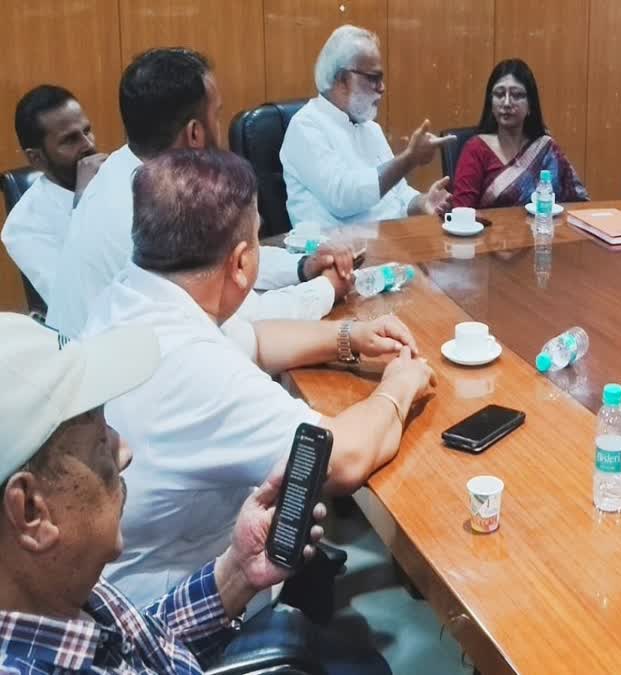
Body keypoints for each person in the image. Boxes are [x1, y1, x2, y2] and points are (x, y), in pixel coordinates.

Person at [82, 149, 436, 614]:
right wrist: (400, 385)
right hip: (175, 615)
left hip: (140, 574)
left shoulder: (133, 295)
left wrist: (348, 337)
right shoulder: (193, 367)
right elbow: (341, 459)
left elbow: (256, 339)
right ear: (242, 263)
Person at [0, 312, 329, 674]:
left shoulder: (56, 592)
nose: (124, 452)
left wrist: (237, 572)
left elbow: (136, 646)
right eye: (99, 443)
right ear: (31, 511)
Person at [47, 48, 351, 337]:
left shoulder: (126, 170)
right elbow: (238, 321)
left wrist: (302, 267)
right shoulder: (156, 207)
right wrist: (326, 288)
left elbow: (224, 258)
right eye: (216, 115)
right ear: (195, 133)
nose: (219, 128)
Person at [282, 24, 454, 228]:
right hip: (333, 246)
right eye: (374, 78)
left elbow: (399, 195)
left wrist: (422, 201)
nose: (382, 88)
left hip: (389, 241)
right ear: (342, 79)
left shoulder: (371, 128)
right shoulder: (306, 126)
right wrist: (409, 159)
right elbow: (343, 198)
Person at [2, 85, 107, 302]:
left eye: (87, 131)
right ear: (36, 159)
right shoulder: (23, 225)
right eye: (70, 140)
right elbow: (74, 300)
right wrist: (83, 202)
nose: (88, 145)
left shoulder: (119, 178)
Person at [451, 58, 588, 209]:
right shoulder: (476, 149)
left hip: (542, 224)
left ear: (530, 105)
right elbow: (461, 211)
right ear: (491, 104)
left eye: (516, 95)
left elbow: (578, 204)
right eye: (499, 94)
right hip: (486, 225)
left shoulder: (545, 149)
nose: (506, 103)